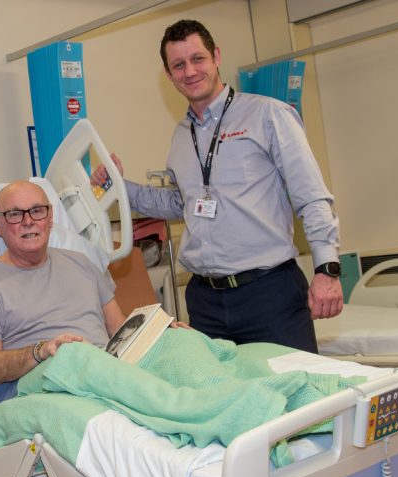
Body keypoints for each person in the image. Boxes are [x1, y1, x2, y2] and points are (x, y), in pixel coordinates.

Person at [91, 19, 343, 353]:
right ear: (169, 75)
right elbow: (178, 204)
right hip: (205, 301)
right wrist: (118, 187)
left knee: (293, 396)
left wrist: (327, 270)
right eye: (179, 65)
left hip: (269, 292)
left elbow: (311, 196)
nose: (190, 71)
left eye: (198, 59)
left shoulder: (267, 115)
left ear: (216, 57)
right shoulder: (182, 136)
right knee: (222, 400)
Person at [0, 180, 127, 402]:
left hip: (105, 368)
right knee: (74, 356)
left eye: (37, 211)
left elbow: (123, 332)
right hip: (42, 384)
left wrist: (159, 331)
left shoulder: (82, 263)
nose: (28, 222)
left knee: (176, 342)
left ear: (50, 217)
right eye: (15, 214)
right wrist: (41, 351)